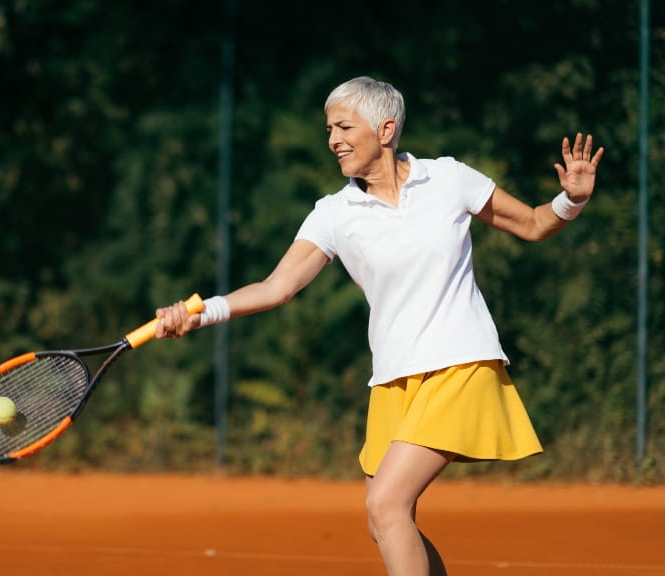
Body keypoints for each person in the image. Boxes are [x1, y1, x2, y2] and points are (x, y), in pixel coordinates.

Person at [154, 76, 604, 576]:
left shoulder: (449, 178)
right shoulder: (333, 213)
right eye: (329, 129)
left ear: (385, 129)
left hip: (461, 364)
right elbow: (276, 287)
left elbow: (534, 224)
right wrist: (200, 312)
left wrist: (572, 200)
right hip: (394, 378)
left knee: (385, 507)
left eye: (344, 126)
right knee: (386, 520)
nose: (333, 140)